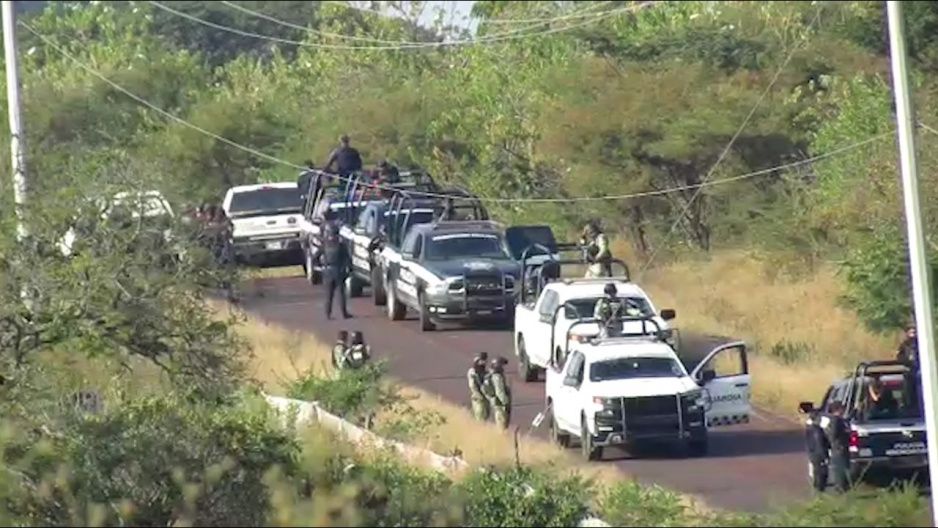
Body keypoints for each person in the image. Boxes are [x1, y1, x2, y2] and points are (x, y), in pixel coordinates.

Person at [321, 221, 352, 320]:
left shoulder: (325, 244)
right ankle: (344, 313)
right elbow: (348, 258)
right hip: (339, 270)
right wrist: (349, 269)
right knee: (341, 293)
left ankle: (327, 314)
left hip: (327, 271)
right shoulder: (341, 245)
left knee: (328, 294)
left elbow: (315, 257)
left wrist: (320, 266)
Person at [820, 401, 851, 492]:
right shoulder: (835, 420)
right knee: (840, 469)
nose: (843, 410)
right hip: (839, 447)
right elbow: (833, 434)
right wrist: (845, 433)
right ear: (837, 409)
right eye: (842, 408)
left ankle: (841, 487)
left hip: (838, 447)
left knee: (841, 468)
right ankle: (841, 488)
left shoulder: (834, 419)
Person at [484, 357, 512, 429]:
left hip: (496, 403)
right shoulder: (497, 377)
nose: (503, 368)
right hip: (501, 405)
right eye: (501, 365)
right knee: (502, 426)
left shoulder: (489, 375)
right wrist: (506, 403)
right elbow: (500, 392)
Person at [467, 352, 490, 422]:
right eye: (482, 360)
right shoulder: (473, 372)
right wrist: (479, 396)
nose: (484, 362)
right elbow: (472, 386)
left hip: (485, 397)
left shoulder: (485, 371)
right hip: (478, 398)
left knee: (485, 416)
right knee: (480, 417)